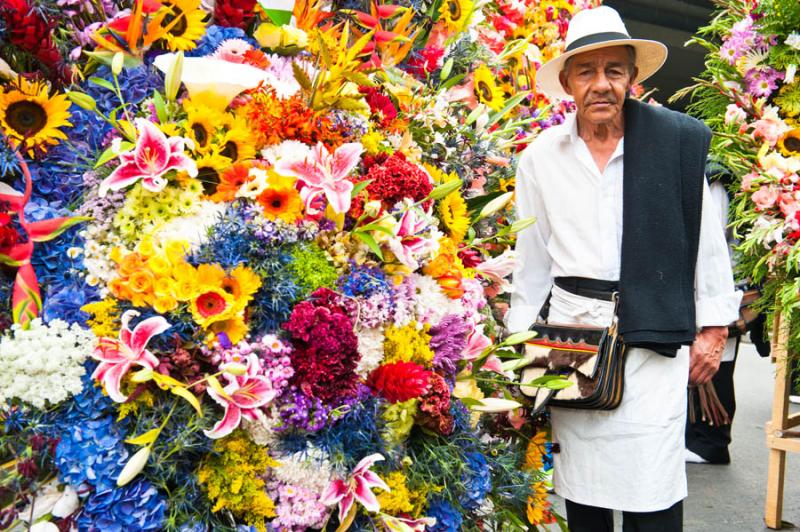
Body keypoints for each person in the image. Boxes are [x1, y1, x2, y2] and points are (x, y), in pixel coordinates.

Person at [505, 6, 741, 531]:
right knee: (583, 497)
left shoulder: (674, 144)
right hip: (573, 343)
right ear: (567, 82)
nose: (602, 85)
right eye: (587, 71)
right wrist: (518, 353)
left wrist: (714, 326)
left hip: (651, 338)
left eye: (614, 70)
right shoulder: (540, 158)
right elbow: (533, 266)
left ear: (632, 77)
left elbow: (706, 244)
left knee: (652, 490)